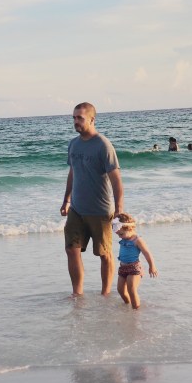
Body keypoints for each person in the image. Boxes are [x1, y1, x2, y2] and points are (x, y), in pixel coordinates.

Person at [60, 102, 124, 296]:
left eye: (80, 118)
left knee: (104, 254)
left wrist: (119, 208)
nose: (76, 121)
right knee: (71, 249)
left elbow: (116, 180)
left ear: (92, 119)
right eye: (74, 118)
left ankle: (105, 294)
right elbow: (73, 172)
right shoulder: (73, 144)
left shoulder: (103, 145)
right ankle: (77, 294)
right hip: (77, 209)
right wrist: (66, 200)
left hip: (100, 211)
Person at [113, 213, 158, 309]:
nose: (120, 237)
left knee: (132, 290)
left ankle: (136, 310)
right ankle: (128, 304)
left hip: (134, 268)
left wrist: (152, 266)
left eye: (121, 234)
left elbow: (147, 253)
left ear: (130, 228)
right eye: (118, 234)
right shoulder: (124, 238)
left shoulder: (137, 240)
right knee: (120, 290)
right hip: (122, 267)